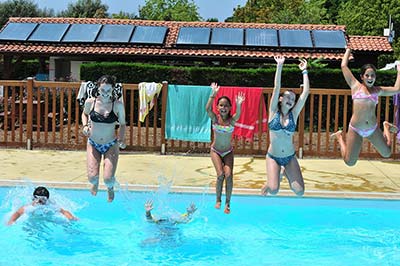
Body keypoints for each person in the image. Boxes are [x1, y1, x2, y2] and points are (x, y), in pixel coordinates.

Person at [330, 48, 400, 166]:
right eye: (367, 75)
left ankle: (386, 126)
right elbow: (343, 66)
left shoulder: (378, 90)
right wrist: (348, 50)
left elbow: (397, 89)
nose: (370, 78)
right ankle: (339, 136)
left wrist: (399, 71)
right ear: (362, 77)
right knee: (349, 162)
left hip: (372, 129)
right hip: (356, 129)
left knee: (387, 153)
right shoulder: (355, 86)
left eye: (372, 75)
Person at [261, 56, 309, 197]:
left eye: (293, 99)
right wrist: (280, 65)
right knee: (273, 190)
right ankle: (274, 178)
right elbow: (276, 88)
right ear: (281, 99)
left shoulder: (294, 113)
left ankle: (283, 171)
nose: (290, 100)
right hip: (273, 157)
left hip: (289, 157)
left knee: (299, 192)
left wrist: (304, 71)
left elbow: (305, 93)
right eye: (287, 97)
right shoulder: (273, 112)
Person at [81, 75, 126, 202]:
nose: (105, 93)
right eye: (103, 90)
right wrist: (85, 126)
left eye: (108, 90)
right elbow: (84, 114)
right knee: (92, 178)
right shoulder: (91, 102)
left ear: (113, 90)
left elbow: (122, 123)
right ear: (98, 89)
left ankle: (110, 188)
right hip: (93, 143)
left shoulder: (117, 105)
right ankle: (94, 184)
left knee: (108, 179)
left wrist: (122, 139)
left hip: (110, 144)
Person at [205, 83, 245, 214]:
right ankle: (218, 200)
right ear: (217, 107)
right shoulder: (215, 119)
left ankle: (228, 203)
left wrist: (239, 104)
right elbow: (207, 109)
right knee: (220, 174)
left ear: (229, 108)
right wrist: (213, 94)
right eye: (221, 105)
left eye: (226, 106)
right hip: (216, 151)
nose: (223, 108)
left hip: (228, 152)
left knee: (229, 175)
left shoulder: (231, 121)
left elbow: (238, 115)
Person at [7, 186, 78, 225]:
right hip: (34, 220)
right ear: (34, 198)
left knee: (65, 224)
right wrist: (12, 220)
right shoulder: (31, 206)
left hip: (48, 219)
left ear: (47, 199)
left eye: (43, 199)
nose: (40, 201)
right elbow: (18, 212)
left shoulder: (50, 206)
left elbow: (64, 211)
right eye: (37, 199)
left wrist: (71, 217)